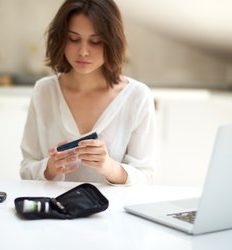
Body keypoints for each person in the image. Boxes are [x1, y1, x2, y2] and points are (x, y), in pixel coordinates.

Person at [20, 0, 156, 185]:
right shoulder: (44, 91)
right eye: (74, 39)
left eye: (95, 41)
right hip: (54, 210)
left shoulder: (137, 97)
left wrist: (109, 167)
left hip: (111, 212)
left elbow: (146, 177)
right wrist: (50, 168)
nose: (83, 51)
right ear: (61, 39)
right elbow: (26, 169)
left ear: (111, 43)